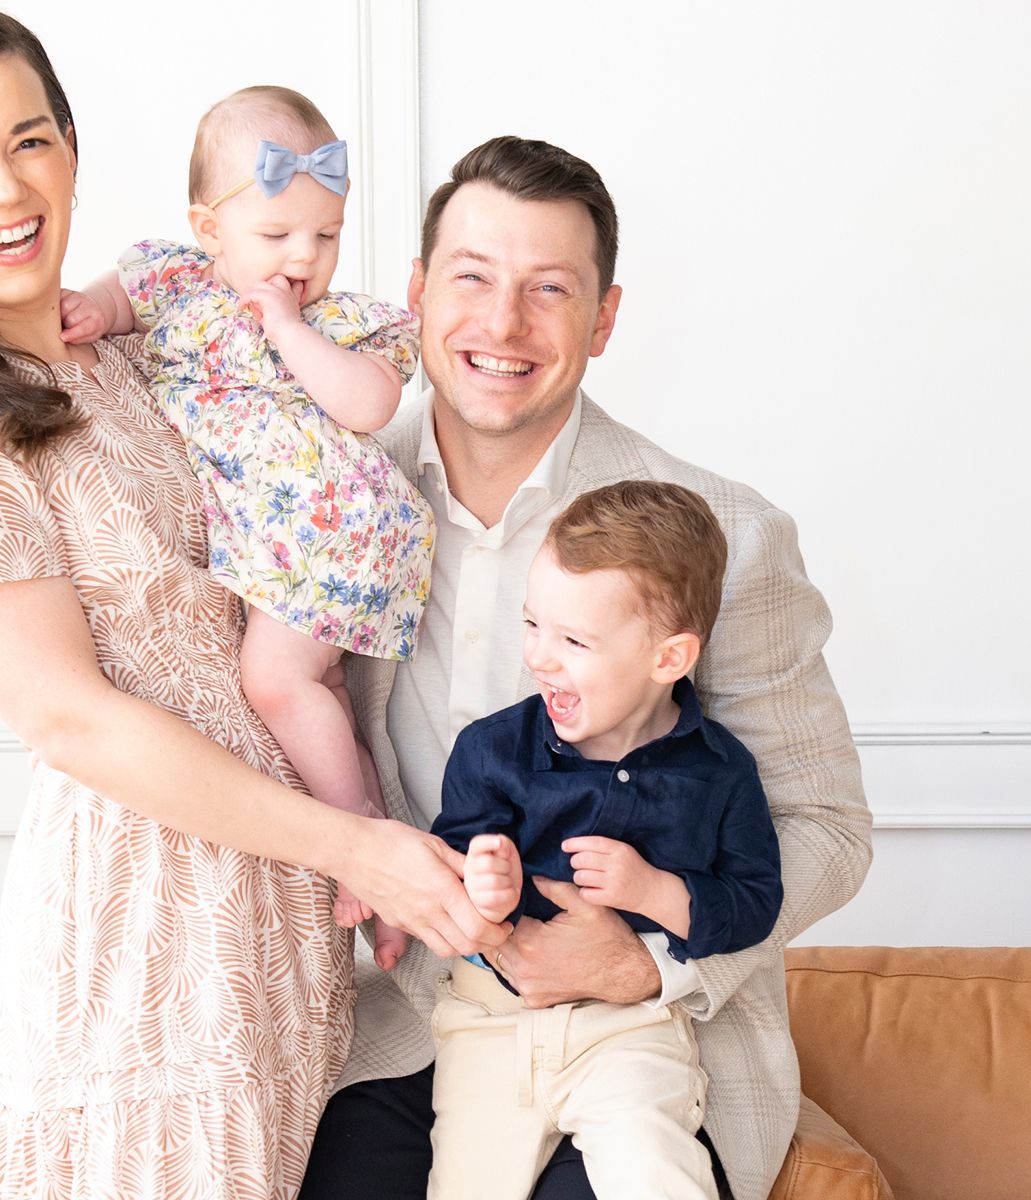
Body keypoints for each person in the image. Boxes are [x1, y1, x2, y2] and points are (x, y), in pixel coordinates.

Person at [0, 6, 500, 1196]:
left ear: (72, 147)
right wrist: (356, 845)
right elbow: (68, 719)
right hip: (146, 942)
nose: (2, 188)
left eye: (28, 140)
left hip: (282, 933)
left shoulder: (136, 349)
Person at [301, 137, 872, 1200]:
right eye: (470, 278)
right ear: (418, 292)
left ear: (603, 319)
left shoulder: (726, 536)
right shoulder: (331, 490)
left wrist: (650, 958)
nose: (502, 325)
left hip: (641, 1043)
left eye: (548, 291)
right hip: (399, 1028)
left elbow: (827, 831)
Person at [59, 85, 434, 971]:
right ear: (208, 228)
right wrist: (95, 312)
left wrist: (289, 329)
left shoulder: (341, 323)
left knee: (272, 681)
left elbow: (370, 401)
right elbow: (126, 293)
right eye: (277, 237)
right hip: (287, 550)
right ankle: (377, 837)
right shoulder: (175, 284)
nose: (305, 256)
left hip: (337, 535)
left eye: (327, 235)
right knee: (320, 699)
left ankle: (361, 848)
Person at [427, 481, 783, 1200]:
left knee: (656, 1175)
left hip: (631, 1031)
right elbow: (449, 872)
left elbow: (754, 902)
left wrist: (657, 892)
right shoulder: (491, 752)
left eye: (573, 641)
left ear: (668, 658)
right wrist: (485, 887)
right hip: (489, 1025)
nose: (540, 658)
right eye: (532, 625)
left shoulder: (719, 773)